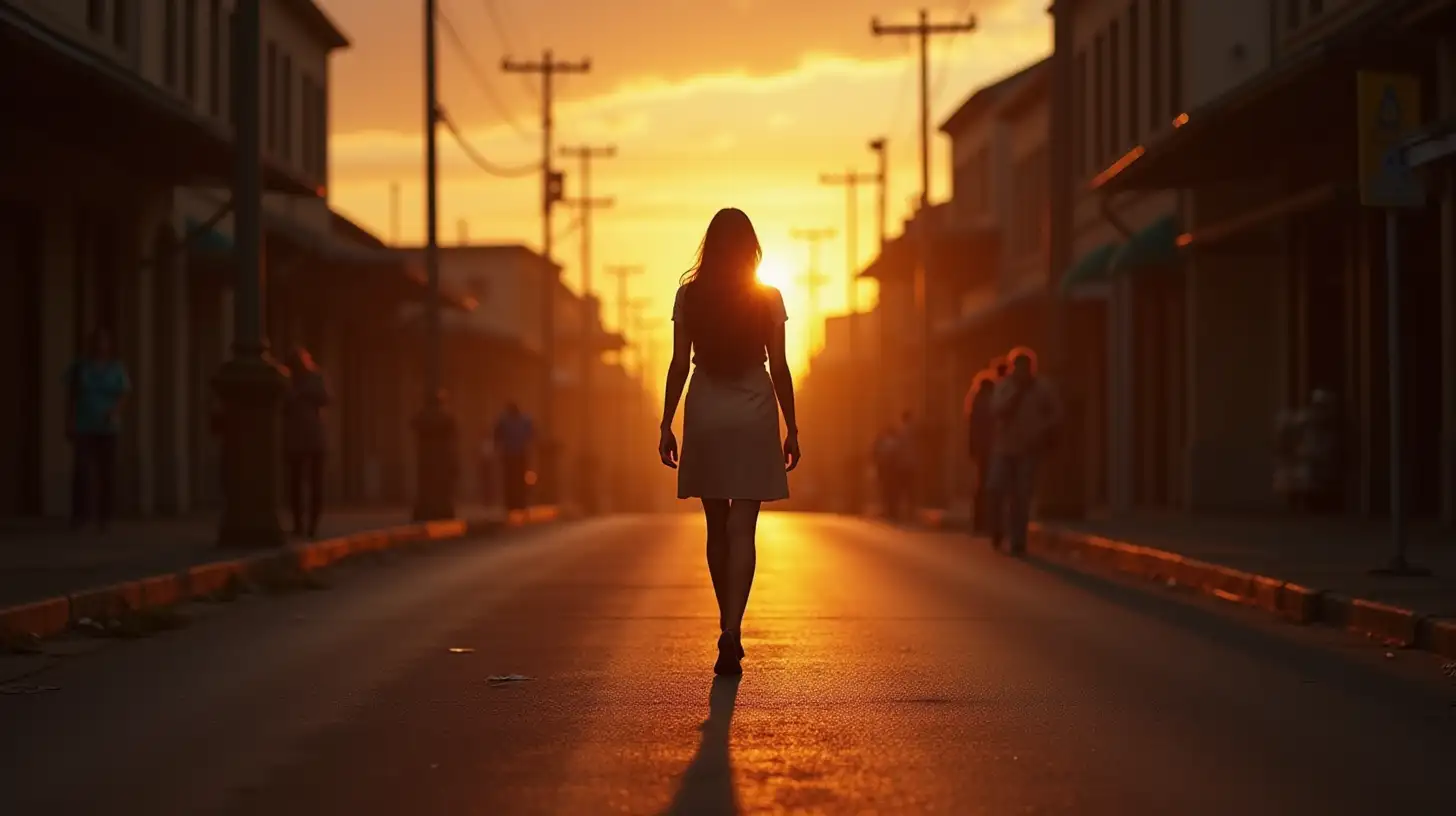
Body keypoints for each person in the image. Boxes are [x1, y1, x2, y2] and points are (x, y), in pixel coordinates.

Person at [658, 207, 800, 676]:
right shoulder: (768, 297)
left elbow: (679, 364)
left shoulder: (689, 296)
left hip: (706, 409)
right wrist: (792, 427)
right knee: (744, 527)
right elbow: (778, 366)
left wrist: (666, 423)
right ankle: (734, 628)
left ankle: (723, 621)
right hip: (754, 408)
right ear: (751, 247)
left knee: (715, 525)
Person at [986, 347, 1062, 554]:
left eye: (1026, 366)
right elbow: (995, 410)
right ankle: (997, 529)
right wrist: (1016, 395)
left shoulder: (1042, 388)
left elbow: (1055, 413)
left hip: (1028, 450)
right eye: (1018, 366)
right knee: (995, 488)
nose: (1022, 370)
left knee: (1021, 497)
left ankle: (1018, 541)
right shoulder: (1005, 386)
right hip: (1003, 449)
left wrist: (1042, 431)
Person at [66, 328, 130, 531]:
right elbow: (71, 396)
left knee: (106, 472)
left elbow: (123, 394)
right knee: (82, 471)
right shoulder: (79, 367)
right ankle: (81, 516)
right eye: (98, 342)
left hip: (107, 427)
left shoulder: (116, 368)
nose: (101, 346)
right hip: (84, 424)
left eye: (105, 342)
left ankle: (105, 517)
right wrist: (68, 421)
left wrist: (114, 411)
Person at [283, 347, 330, 538]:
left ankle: (311, 525)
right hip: (297, 439)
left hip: (313, 439)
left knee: (313, 484)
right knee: (297, 483)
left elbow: (326, 398)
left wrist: (303, 394)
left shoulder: (314, 379)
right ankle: (300, 524)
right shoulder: (288, 382)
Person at [966, 369, 998, 535]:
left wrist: (972, 447)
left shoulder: (976, 400)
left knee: (982, 485)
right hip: (991, 449)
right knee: (990, 485)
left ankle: (980, 522)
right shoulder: (987, 400)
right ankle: (985, 521)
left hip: (984, 449)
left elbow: (973, 428)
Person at [494, 402, 534, 514]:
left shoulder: (505, 420)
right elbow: (531, 435)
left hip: (513, 455)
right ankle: (517, 503)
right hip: (516, 455)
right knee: (515, 480)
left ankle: (514, 503)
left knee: (513, 480)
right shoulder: (523, 420)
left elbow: (497, 435)